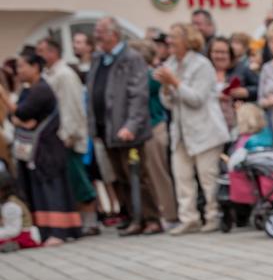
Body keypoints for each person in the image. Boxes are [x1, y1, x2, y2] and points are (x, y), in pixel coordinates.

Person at [153, 22, 230, 235]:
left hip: (205, 130)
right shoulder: (170, 64)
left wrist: (174, 82)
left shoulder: (202, 65)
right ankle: (189, 218)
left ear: (187, 40)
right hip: (181, 132)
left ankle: (213, 216)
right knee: (182, 177)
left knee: (208, 177)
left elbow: (196, 99)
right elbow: (167, 103)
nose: (169, 41)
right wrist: (166, 87)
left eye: (174, 37)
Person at [87, 16, 159, 236]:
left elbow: (138, 95)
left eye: (101, 31)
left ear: (114, 34)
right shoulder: (99, 58)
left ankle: (150, 218)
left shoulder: (131, 58)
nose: (97, 36)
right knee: (120, 176)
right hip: (106, 128)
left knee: (137, 176)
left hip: (128, 131)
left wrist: (131, 125)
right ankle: (132, 216)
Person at [6, 51, 79, 245]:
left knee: (51, 189)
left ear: (35, 67)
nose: (18, 71)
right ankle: (45, 231)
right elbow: (15, 118)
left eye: (22, 66)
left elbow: (21, 113)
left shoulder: (41, 90)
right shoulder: (29, 90)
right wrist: (20, 120)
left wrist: (4, 98)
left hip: (47, 149)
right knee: (38, 190)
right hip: (35, 150)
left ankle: (59, 232)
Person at [37, 37, 98, 236]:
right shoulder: (49, 74)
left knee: (79, 178)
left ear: (52, 52)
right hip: (55, 137)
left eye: (42, 51)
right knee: (71, 180)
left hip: (67, 136)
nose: (39, 55)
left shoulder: (64, 74)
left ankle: (91, 222)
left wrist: (70, 134)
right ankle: (80, 220)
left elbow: (72, 106)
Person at [130, 39, 179, 229]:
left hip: (155, 127)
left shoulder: (152, 76)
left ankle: (169, 214)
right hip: (144, 129)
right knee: (149, 174)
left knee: (159, 173)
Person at [208, 36, 257, 131]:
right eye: (216, 52)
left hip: (238, 121)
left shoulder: (241, 69)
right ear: (210, 54)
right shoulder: (205, 71)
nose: (220, 56)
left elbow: (260, 88)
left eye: (223, 52)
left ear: (230, 54)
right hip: (211, 122)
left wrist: (246, 92)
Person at [0, 167, 40, 251]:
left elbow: (13, 230)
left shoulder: (11, 206)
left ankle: (13, 245)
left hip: (22, 235)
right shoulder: (6, 202)